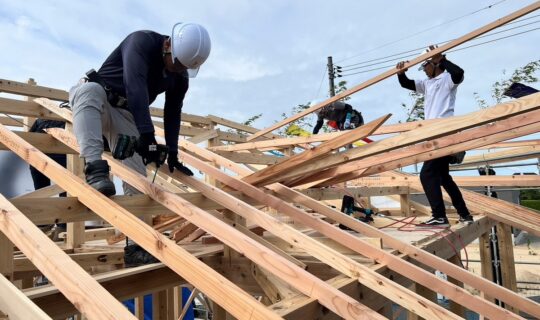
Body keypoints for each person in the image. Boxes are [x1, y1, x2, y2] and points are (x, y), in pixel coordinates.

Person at [69, 23, 211, 197]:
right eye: (177, 64)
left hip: (127, 114)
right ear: (168, 45)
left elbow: (173, 112)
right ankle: (95, 169)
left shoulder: (180, 75)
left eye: (184, 67)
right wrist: (147, 135)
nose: (178, 70)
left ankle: (131, 222)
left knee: (138, 189)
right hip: (100, 102)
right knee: (89, 90)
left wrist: (172, 151)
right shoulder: (141, 42)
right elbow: (134, 87)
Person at [396, 46, 473, 227]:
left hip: (443, 132)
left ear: (434, 64)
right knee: (443, 177)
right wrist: (400, 73)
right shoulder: (427, 83)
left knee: (427, 174)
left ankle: (439, 216)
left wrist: (441, 59)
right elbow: (406, 83)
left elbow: (459, 73)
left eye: (425, 66)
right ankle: (464, 214)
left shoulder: (447, 79)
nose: (423, 70)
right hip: (432, 134)